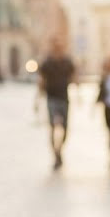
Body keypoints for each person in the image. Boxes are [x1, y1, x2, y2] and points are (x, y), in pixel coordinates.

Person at [39, 41, 75, 169]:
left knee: (65, 128)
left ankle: (59, 150)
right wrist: (38, 99)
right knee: (53, 126)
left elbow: (73, 77)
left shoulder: (67, 62)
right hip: (52, 99)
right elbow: (42, 81)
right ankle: (55, 154)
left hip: (64, 98)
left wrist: (78, 93)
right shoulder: (47, 63)